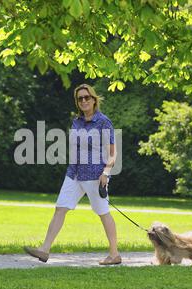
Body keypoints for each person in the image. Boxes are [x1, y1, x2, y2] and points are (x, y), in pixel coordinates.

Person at [24, 84, 121, 265]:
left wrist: (106, 173)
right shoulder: (76, 121)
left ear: (94, 99)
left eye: (87, 97)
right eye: (80, 99)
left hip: (95, 175)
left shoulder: (103, 122)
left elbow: (113, 153)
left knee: (103, 212)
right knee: (60, 208)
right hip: (74, 173)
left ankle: (114, 254)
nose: (83, 101)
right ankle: (44, 249)